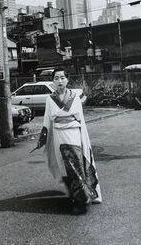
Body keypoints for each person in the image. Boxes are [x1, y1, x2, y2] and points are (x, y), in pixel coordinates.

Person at [35, 67, 102, 214]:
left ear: (67, 79)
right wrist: (43, 136)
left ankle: (81, 201)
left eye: (62, 78)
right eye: (56, 78)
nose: (59, 81)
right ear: (52, 81)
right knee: (65, 166)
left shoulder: (74, 96)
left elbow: (80, 118)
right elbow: (47, 119)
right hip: (59, 134)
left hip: (73, 133)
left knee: (76, 164)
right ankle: (76, 195)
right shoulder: (50, 99)